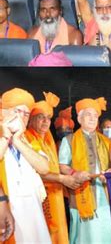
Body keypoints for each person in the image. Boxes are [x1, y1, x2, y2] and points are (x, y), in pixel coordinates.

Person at [25, 91, 79, 244]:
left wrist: (72, 174)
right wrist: (63, 178)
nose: (45, 121)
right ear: (31, 119)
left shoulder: (48, 140)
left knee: (59, 233)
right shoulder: (28, 138)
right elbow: (36, 171)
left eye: (48, 118)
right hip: (40, 197)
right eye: (40, 117)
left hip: (56, 195)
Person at [58, 97, 111, 243]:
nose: (92, 118)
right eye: (88, 114)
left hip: (105, 194)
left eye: (95, 115)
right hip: (82, 193)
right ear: (79, 118)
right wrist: (74, 173)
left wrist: (110, 171)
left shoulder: (106, 141)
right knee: (87, 235)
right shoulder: (68, 140)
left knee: (107, 230)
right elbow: (62, 166)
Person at [0, 88, 51, 243]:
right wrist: (6, 135)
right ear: (3, 112)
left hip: (33, 211)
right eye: (17, 111)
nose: (21, 117)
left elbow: (44, 167)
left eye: (26, 114)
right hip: (7, 210)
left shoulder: (28, 140)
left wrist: (17, 140)